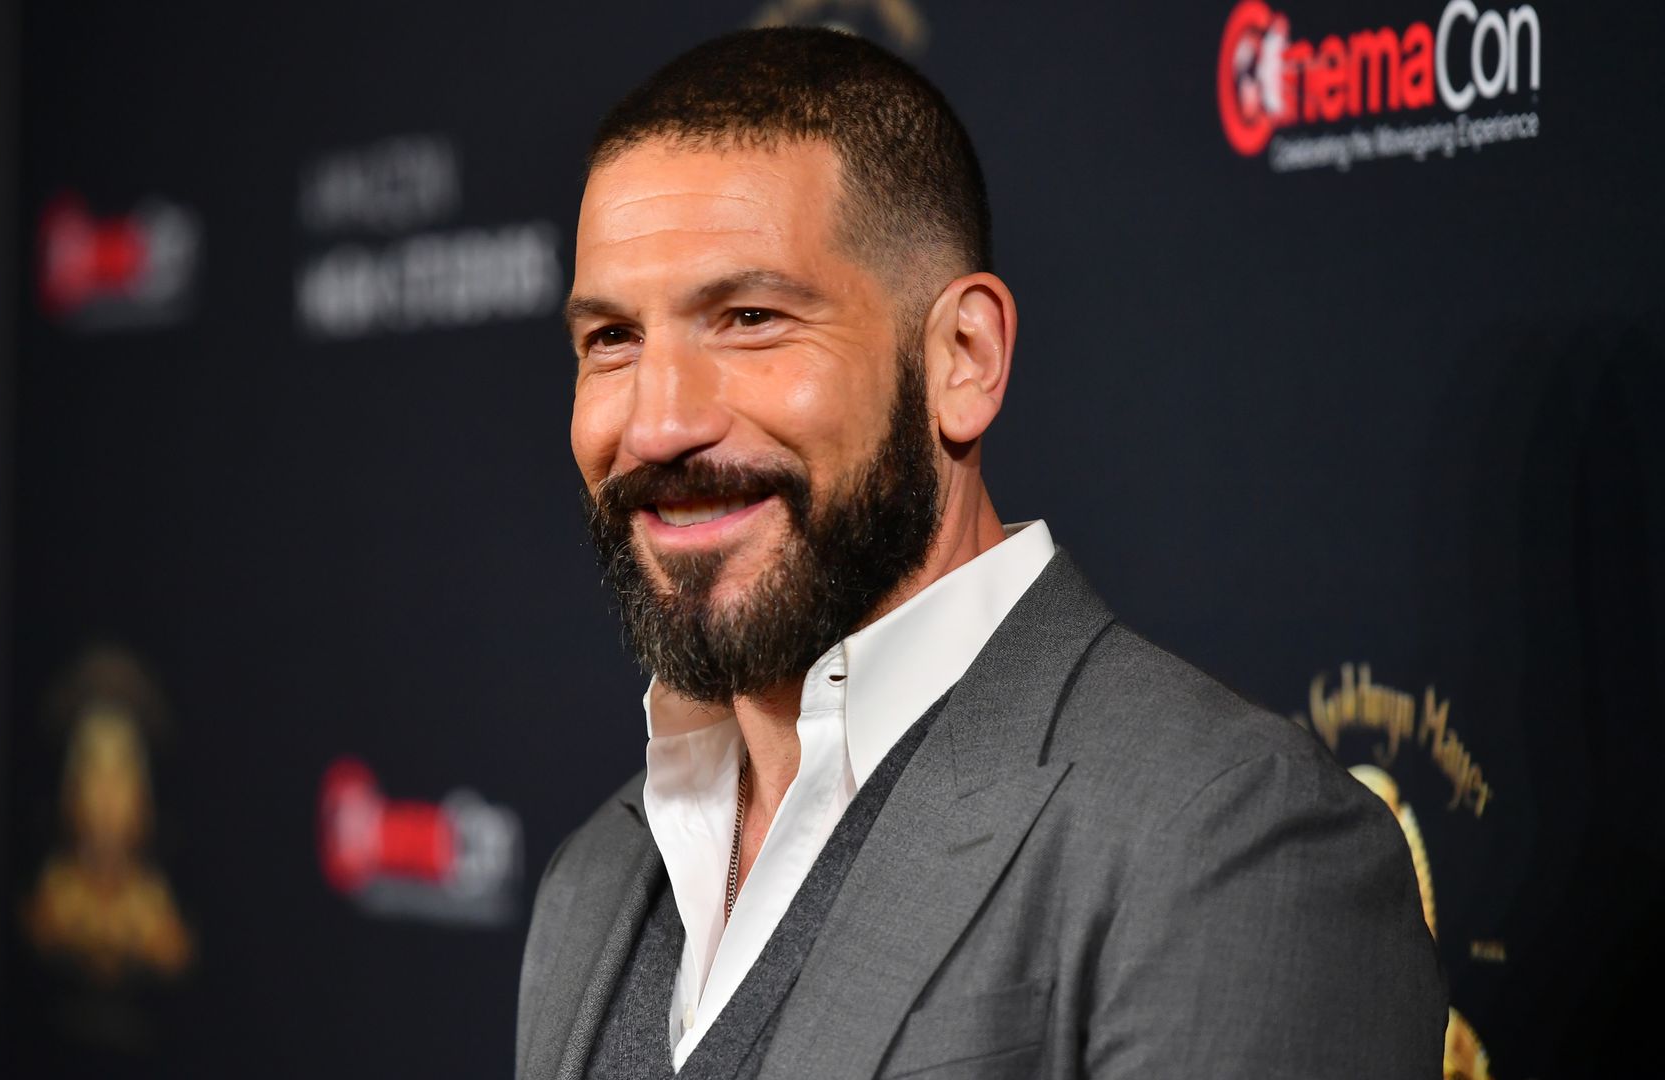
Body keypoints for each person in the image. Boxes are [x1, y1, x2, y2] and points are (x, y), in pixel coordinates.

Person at [518, 26, 1445, 1080]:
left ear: (964, 357)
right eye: (612, 340)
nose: (656, 424)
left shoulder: (1222, 840)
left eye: (751, 318)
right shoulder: (595, 880)